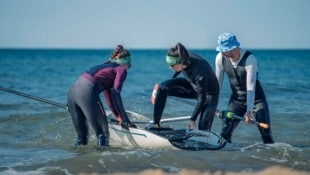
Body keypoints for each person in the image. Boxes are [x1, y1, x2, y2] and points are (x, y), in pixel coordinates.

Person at [67, 45, 136, 147]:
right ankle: (102, 161)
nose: (128, 69)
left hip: (72, 93)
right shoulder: (121, 69)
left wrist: (118, 116)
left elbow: (109, 97)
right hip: (87, 93)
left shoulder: (105, 67)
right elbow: (116, 93)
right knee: (102, 134)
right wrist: (125, 119)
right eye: (129, 66)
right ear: (127, 63)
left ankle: (76, 160)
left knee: (82, 138)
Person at [215, 32, 274, 144]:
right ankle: (228, 158)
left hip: (256, 100)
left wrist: (249, 110)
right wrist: (213, 105)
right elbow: (218, 85)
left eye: (224, 50)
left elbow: (250, 87)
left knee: (266, 135)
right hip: (236, 100)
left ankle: (273, 159)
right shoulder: (220, 58)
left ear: (233, 48)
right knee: (224, 134)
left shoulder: (250, 59)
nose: (222, 53)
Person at [152, 42, 219, 131]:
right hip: (192, 85)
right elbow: (178, 69)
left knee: (203, 130)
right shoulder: (184, 59)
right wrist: (167, 86)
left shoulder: (199, 73)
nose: (170, 67)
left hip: (208, 95)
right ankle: (156, 124)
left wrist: (192, 119)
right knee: (163, 88)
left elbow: (201, 98)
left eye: (172, 65)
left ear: (181, 63)